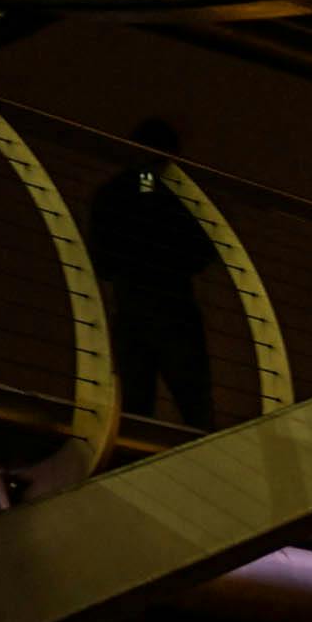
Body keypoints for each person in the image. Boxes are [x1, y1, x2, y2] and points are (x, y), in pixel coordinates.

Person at [85, 117, 220, 428]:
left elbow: (102, 259)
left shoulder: (113, 194)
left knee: (135, 406)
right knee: (194, 402)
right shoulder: (184, 198)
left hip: (131, 304)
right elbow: (203, 251)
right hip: (175, 304)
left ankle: (134, 460)